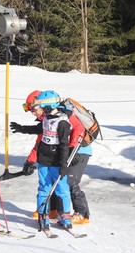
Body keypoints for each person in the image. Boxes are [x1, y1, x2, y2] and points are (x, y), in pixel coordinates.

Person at [10, 91, 91, 225]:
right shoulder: (47, 119)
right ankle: (52, 210)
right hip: (60, 152)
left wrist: (71, 152)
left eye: (33, 109)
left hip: (79, 149)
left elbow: (79, 129)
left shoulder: (64, 115)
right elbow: (41, 143)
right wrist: (30, 160)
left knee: (69, 182)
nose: (32, 113)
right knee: (52, 182)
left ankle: (82, 214)